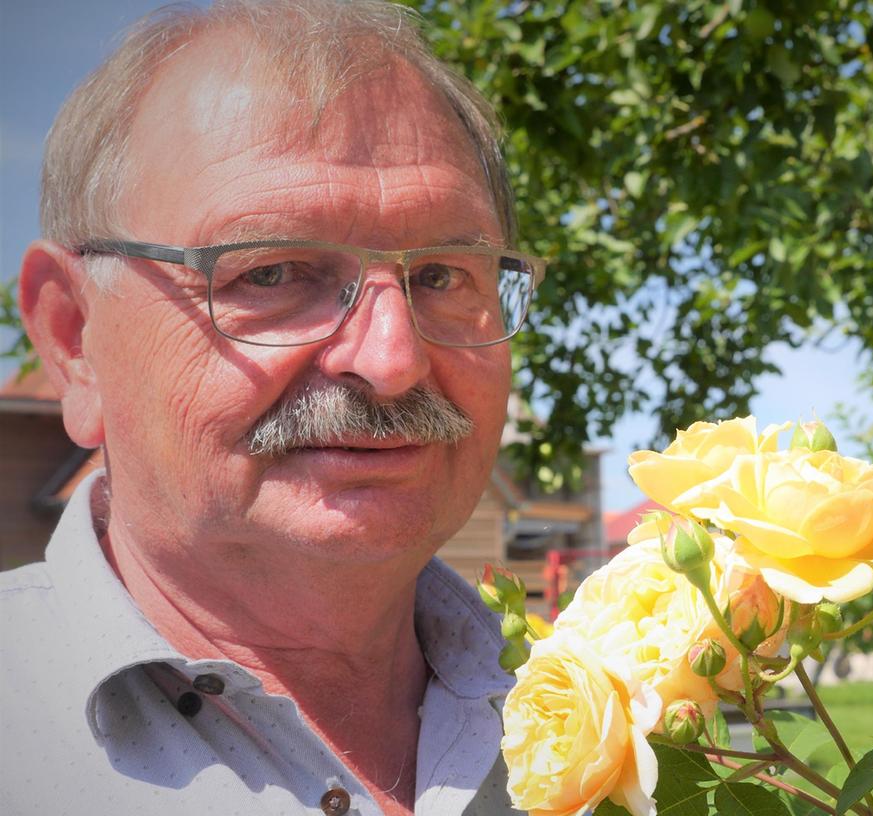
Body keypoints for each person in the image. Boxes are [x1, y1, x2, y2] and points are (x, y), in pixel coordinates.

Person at [1, 2, 543, 813]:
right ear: (76, 339)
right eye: (272, 273)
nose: (391, 361)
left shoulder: (620, 723)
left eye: (440, 275)